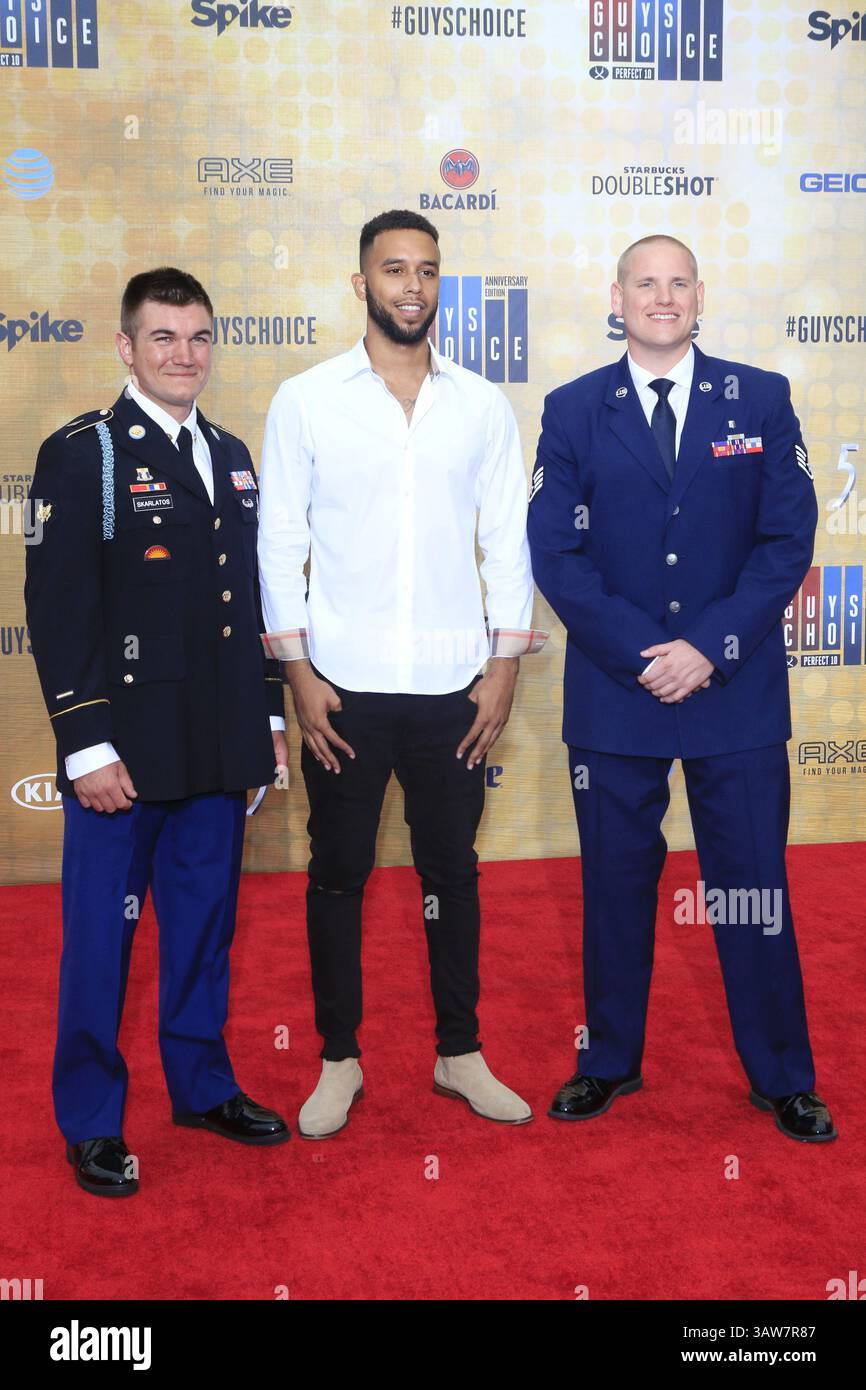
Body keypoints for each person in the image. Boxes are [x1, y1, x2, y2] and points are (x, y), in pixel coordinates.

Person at [527, 234, 836, 1143]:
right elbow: (557, 552)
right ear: (614, 296)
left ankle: (783, 1076)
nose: (661, 298)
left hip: (733, 691)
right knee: (615, 887)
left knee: (751, 890)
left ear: (700, 296)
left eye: (677, 284)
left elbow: (787, 540)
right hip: (617, 697)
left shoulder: (763, 399)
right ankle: (608, 1061)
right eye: (644, 284)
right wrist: (644, 652)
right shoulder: (574, 409)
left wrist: (708, 646)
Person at [258, 209, 545, 1139]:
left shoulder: (482, 405)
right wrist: (297, 672)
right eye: (393, 270)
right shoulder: (306, 400)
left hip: (456, 690)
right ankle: (339, 1059)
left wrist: (503, 666)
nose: (412, 286)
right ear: (361, 285)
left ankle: (458, 1053)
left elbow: (508, 540)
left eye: (426, 270)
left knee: (450, 874)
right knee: (337, 877)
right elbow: (280, 544)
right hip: (341, 687)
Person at [25, 267, 291, 1197]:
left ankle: (202, 1086)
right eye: (165, 338)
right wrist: (85, 744)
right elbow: (57, 613)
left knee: (206, 928)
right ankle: (92, 1119)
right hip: (123, 756)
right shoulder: (85, 453)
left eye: (200, 337)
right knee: (101, 940)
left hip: (215, 746)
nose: (186, 355)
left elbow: (251, 600)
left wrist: (263, 720)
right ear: (126, 347)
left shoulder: (232, 451)